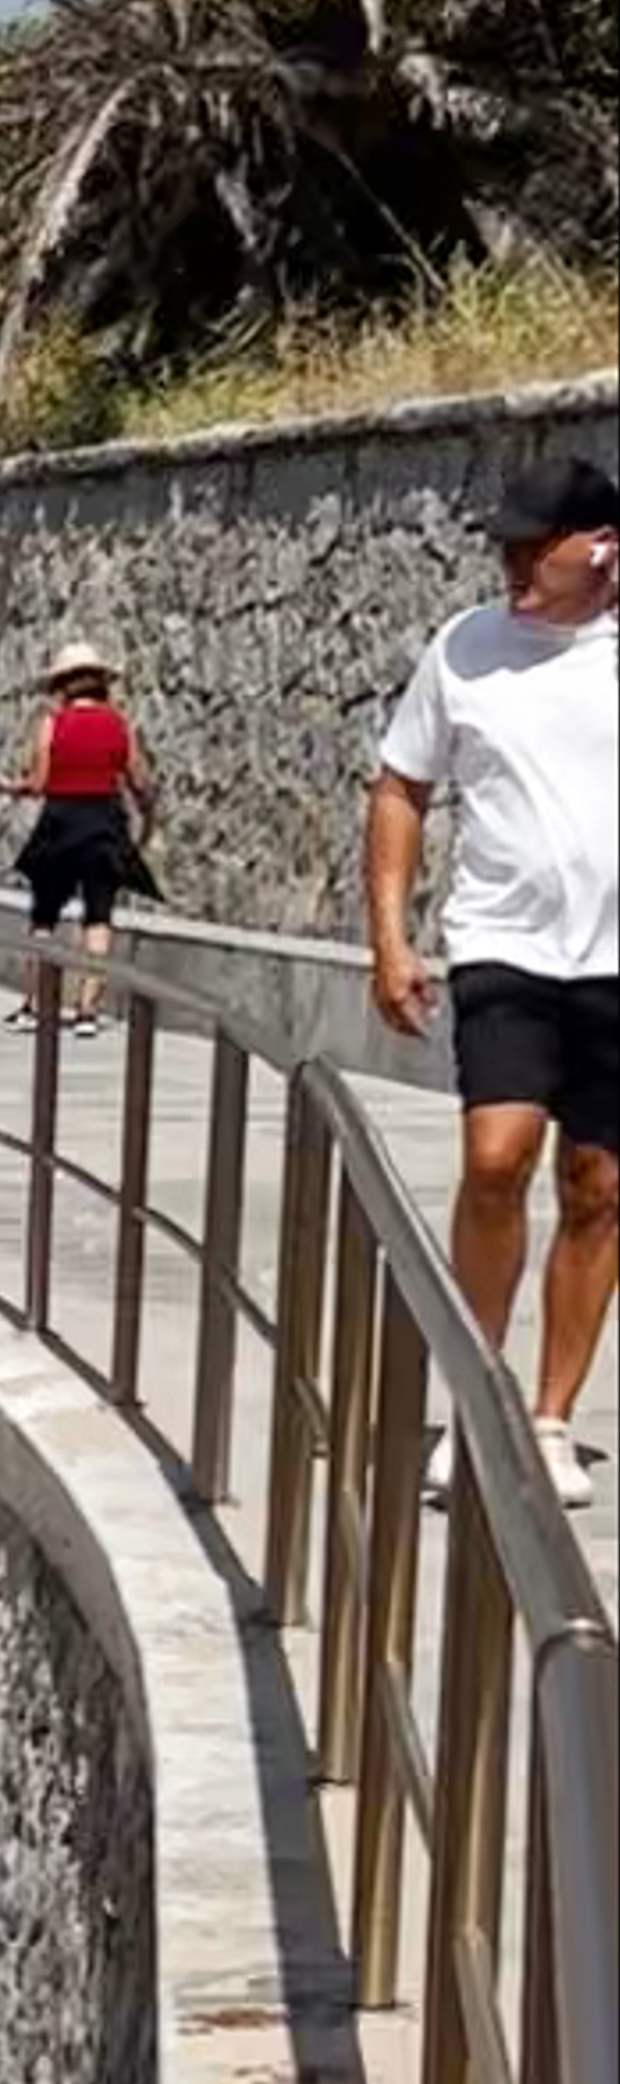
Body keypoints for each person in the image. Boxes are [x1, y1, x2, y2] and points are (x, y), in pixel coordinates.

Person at [365, 446, 619, 1498]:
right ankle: (476, 1398)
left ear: (599, 549)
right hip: (504, 947)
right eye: (504, 548)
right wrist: (390, 937)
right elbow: (400, 788)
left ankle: (551, 1420)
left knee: (598, 1184)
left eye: (532, 549)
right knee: (495, 1158)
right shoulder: (464, 648)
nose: (511, 568)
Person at [9, 635, 158, 1029]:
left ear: (61, 686)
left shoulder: (52, 724)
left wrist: (13, 787)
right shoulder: (119, 724)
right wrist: (147, 818)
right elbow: (139, 780)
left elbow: (39, 782)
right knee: (98, 915)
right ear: (101, 683)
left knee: (44, 916)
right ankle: (87, 1010)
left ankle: (33, 1003)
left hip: (59, 821)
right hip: (104, 821)